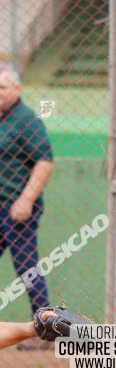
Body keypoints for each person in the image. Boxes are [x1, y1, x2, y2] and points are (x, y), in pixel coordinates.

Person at [0, 63, 54, 316]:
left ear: (16, 88)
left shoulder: (26, 119)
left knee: (27, 269)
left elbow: (44, 160)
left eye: (2, 87)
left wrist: (26, 200)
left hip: (16, 210)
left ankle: (45, 327)